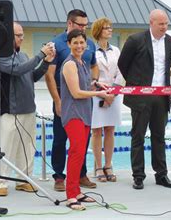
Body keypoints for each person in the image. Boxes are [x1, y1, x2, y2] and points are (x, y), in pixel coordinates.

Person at [118, 9, 171, 190]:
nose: (164, 27)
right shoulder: (136, 40)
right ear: (151, 23)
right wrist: (137, 84)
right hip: (141, 97)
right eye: (161, 24)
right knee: (138, 137)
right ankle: (138, 176)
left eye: (166, 23)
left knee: (159, 137)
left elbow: (168, 66)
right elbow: (123, 64)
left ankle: (161, 175)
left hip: (161, 96)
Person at [0, 22, 55, 196]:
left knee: (27, 148)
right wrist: (40, 55)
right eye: (18, 35)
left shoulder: (24, 55)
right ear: (8, 36)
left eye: (22, 35)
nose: (22, 38)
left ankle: (24, 180)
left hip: (28, 108)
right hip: (10, 111)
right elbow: (19, 70)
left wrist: (45, 62)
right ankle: (1, 182)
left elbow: (32, 76)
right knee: (6, 147)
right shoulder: (2, 57)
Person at [45, 9, 99, 191]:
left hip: (85, 99)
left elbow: (94, 66)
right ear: (69, 23)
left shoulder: (88, 44)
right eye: (80, 25)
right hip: (66, 98)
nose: (84, 28)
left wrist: (95, 82)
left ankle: (81, 174)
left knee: (83, 140)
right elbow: (50, 75)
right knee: (60, 139)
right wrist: (57, 100)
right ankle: (59, 177)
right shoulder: (57, 44)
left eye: (86, 25)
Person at [60, 29, 110, 210]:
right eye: (75, 43)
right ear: (69, 44)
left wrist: (96, 83)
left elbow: (82, 85)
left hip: (84, 113)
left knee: (80, 154)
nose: (79, 46)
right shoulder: (69, 64)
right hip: (73, 114)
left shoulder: (82, 62)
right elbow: (76, 92)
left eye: (82, 43)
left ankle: (77, 191)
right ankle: (70, 195)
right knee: (75, 153)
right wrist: (99, 93)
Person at [90, 17, 123, 182]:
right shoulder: (91, 50)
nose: (110, 30)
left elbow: (121, 72)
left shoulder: (116, 50)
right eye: (106, 28)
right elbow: (89, 74)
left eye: (111, 27)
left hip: (114, 94)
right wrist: (103, 92)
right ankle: (97, 165)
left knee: (110, 130)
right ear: (98, 31)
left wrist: (113, 93)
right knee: (96, 131)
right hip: (97, 94)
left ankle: (108, 164)